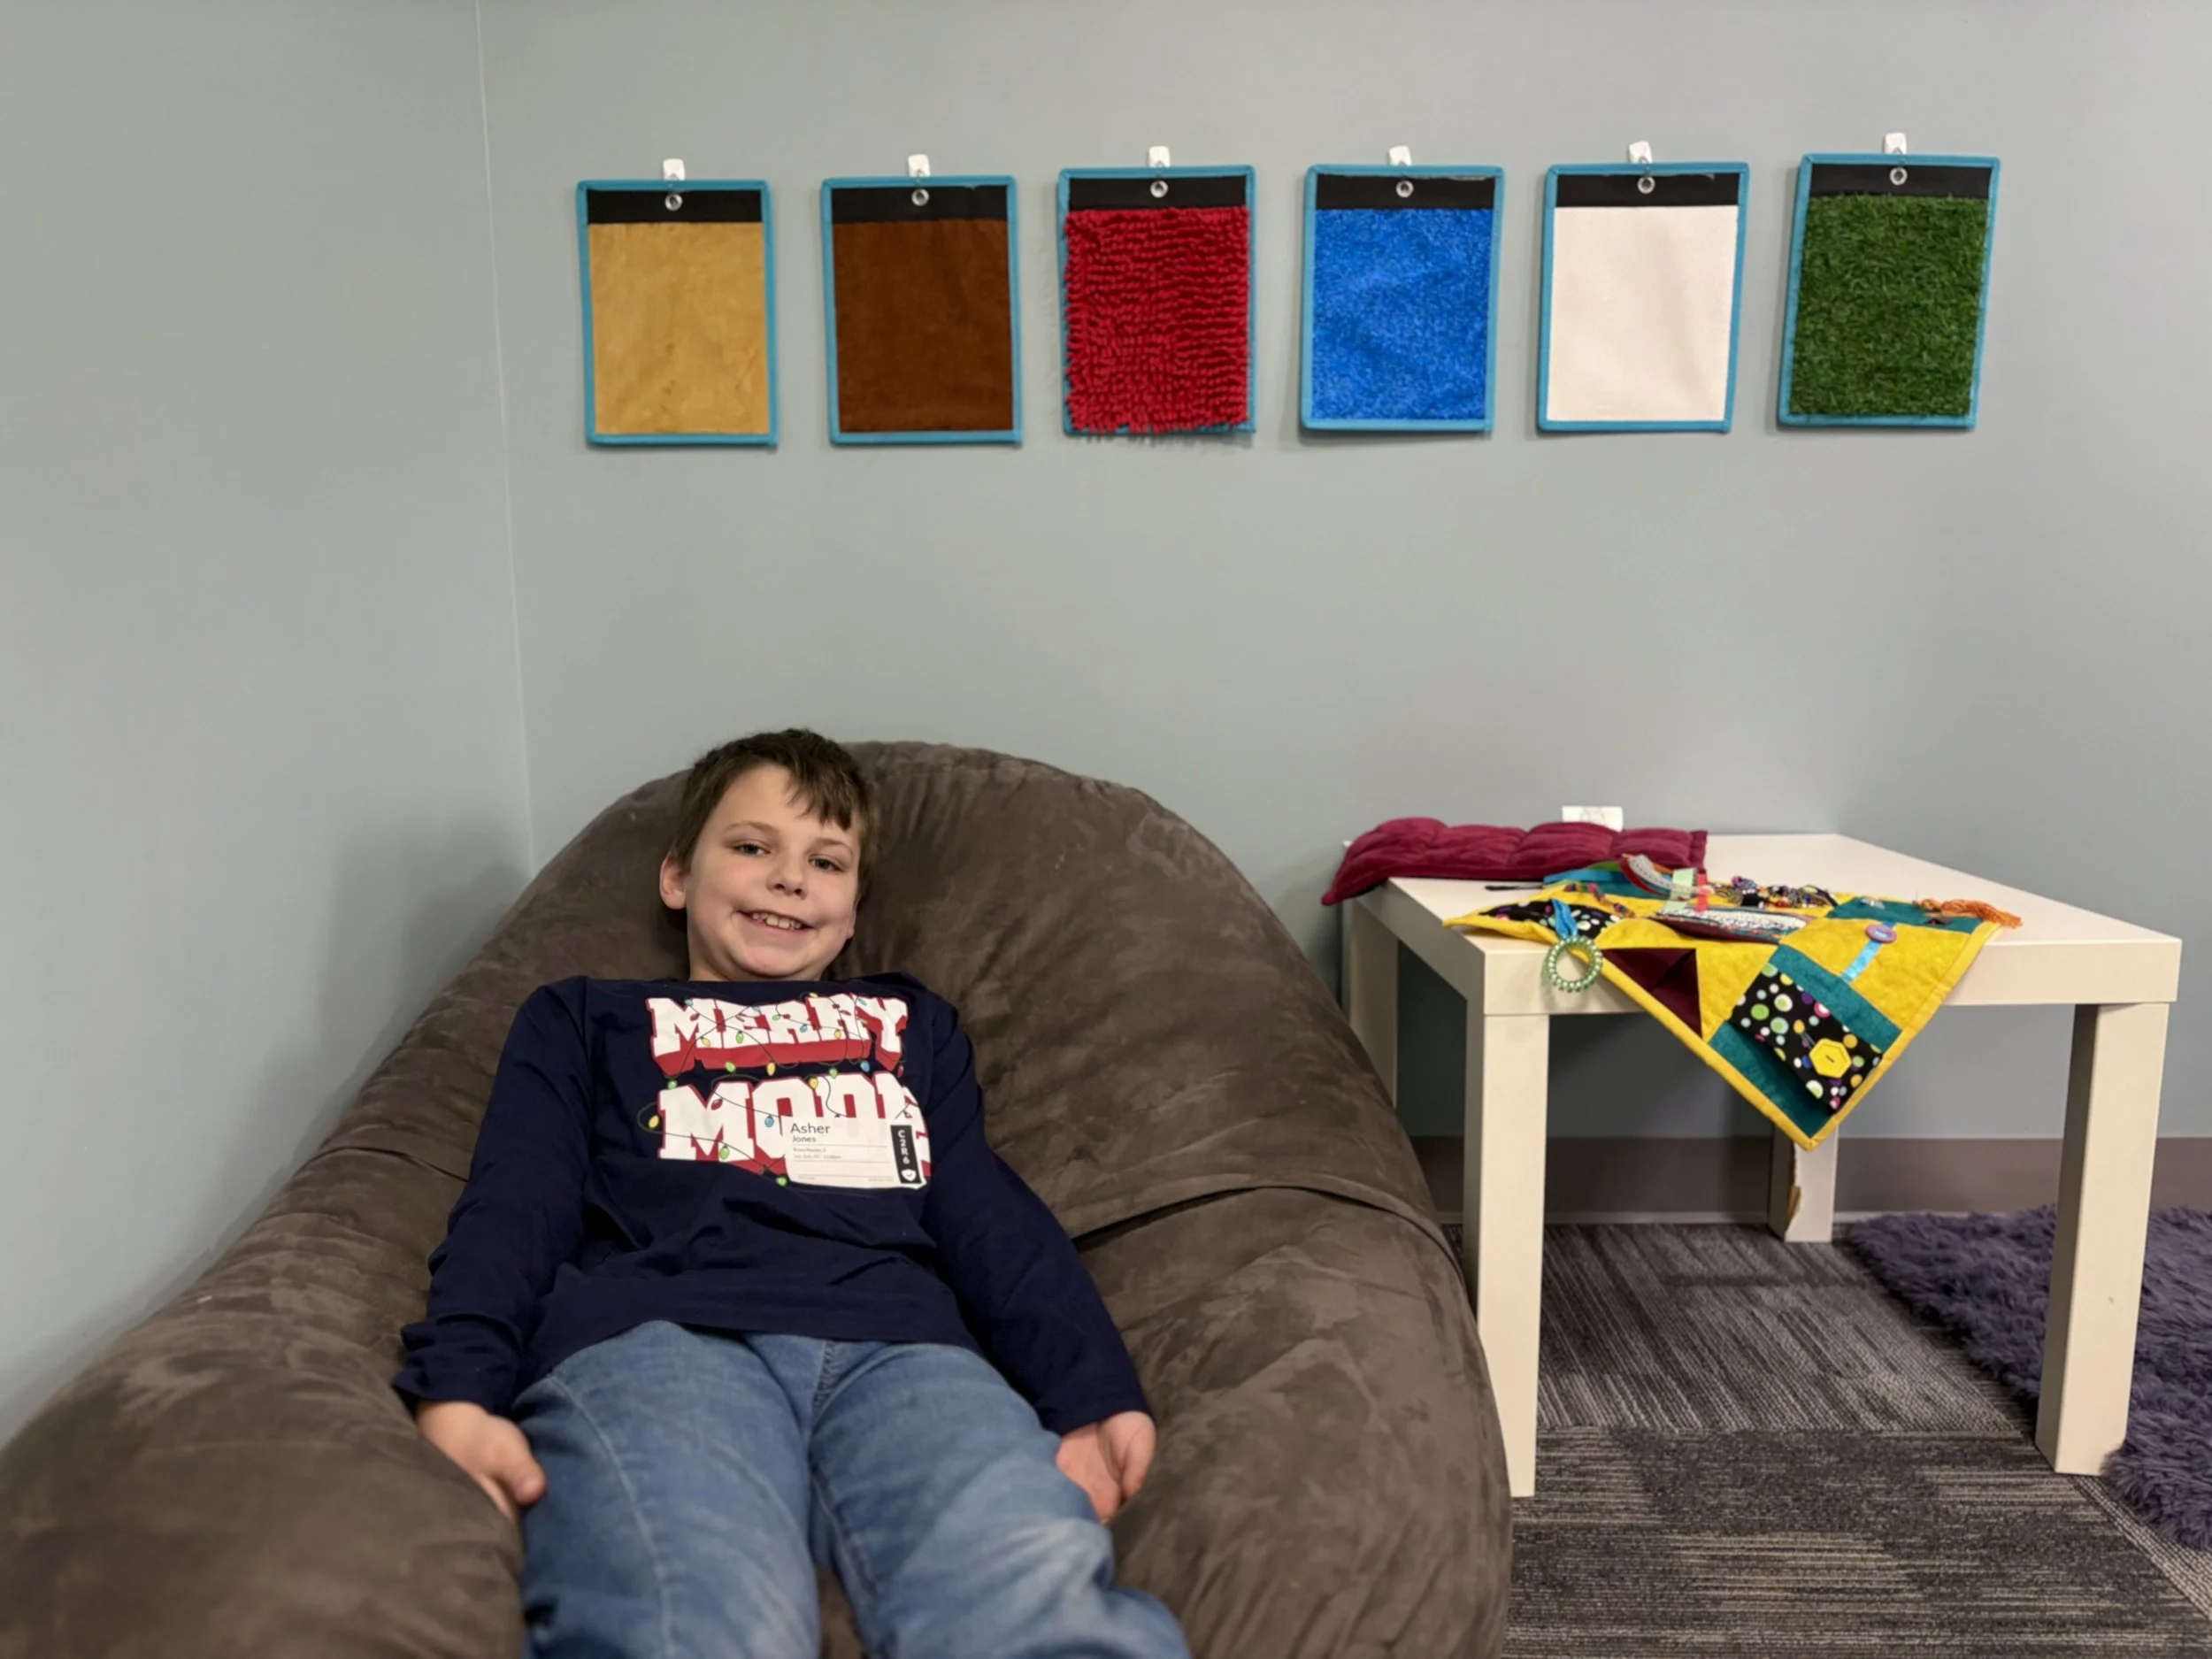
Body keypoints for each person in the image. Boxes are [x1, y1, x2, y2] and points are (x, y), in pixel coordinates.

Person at [394, 729, 1190, 1659]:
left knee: (1027, 1592)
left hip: (902, 1350)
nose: (789, 878)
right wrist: (460, 1388)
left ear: (851, 917)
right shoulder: (583, 1017)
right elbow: (513, 1205)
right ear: (676, 876)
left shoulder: (909, 1024)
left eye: (826, 861)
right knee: (696, 1618)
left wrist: (1090, 1392)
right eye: (751, 845)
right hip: (662, 1338)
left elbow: (987, 1214)